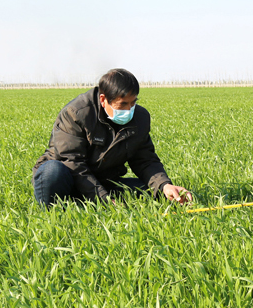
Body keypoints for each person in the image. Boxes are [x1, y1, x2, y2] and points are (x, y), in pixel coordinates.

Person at [33, 68, 191, 207]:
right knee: (52, 171)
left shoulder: (140, 118)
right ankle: (55, 209)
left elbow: (145, 160)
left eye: (133, 103)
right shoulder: (76, 113)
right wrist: (104, 200)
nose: (129, 110)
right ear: (103, 100)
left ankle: (84, 202)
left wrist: (164, 185)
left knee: (154, 193)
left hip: (103, 182)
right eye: (122, 104)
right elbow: (72, 162)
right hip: (68, 179)